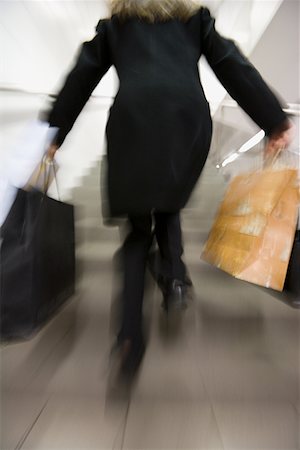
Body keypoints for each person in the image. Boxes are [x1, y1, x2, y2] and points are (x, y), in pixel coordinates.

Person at [45, 0, 293, 381]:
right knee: (167, 204)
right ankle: (175, 277)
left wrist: (55, 133)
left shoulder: (117, 26)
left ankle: (129, 337)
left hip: (134, 121)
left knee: (137, 231)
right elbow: (231, 63)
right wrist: (272, 119)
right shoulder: (194, 20)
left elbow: (83, 74)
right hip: (186, 120)